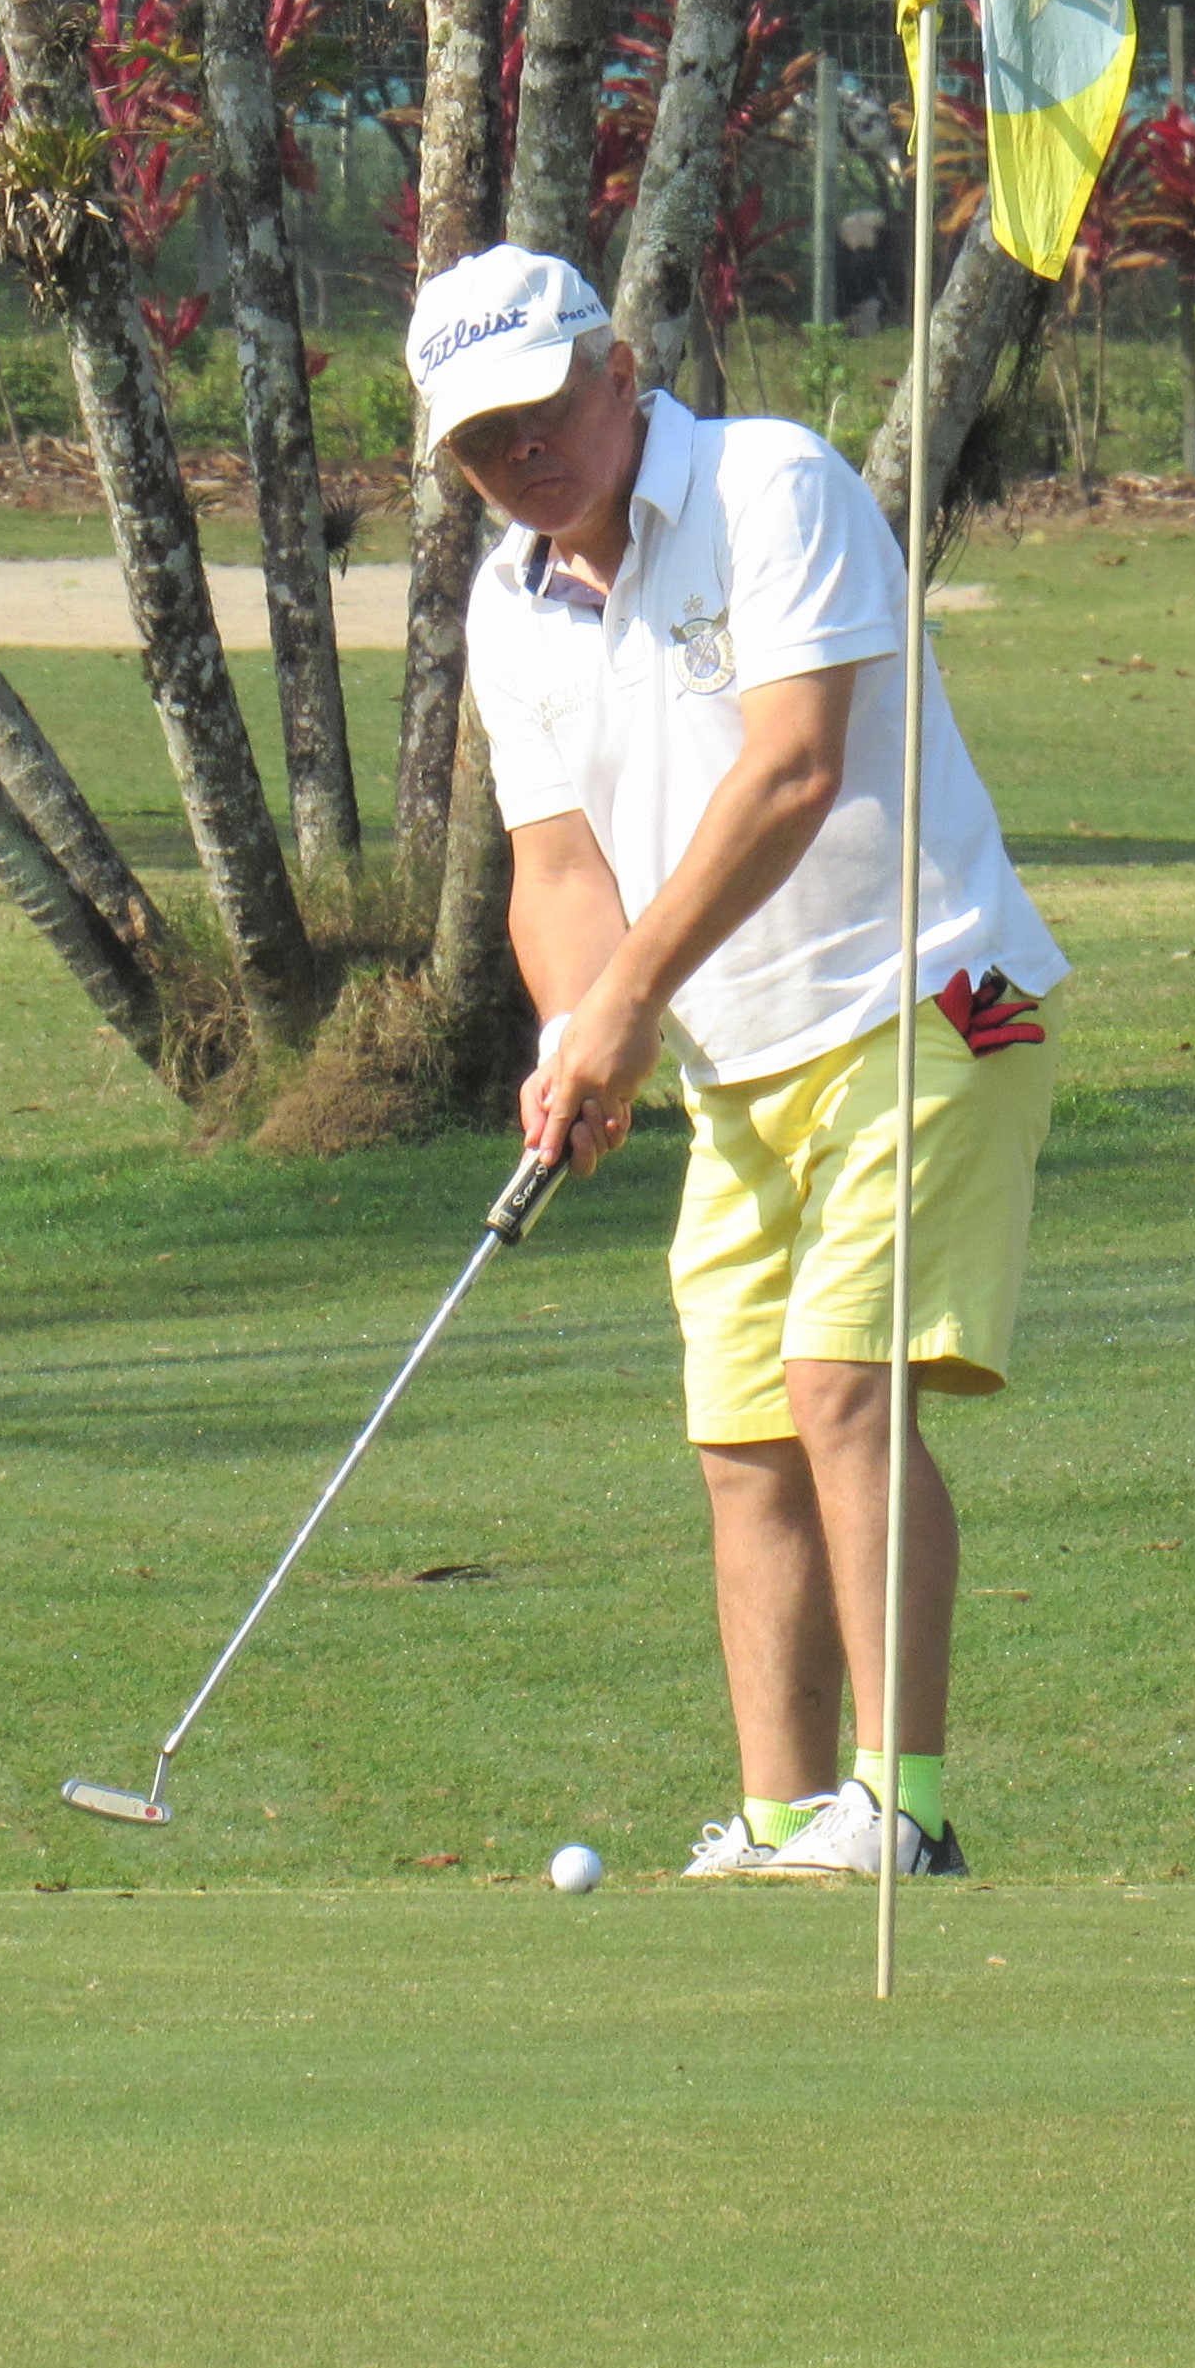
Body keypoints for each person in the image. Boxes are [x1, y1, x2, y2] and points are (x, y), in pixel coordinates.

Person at [415, 242, 1066, 1879]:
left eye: (542, 407)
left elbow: (792, 771)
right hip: (740, 1069)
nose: (522, 451)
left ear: (619, 371)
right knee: (743, 1437)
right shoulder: (506, 607)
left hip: (934, 998)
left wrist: (628, 1002)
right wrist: (578, 1036)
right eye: (481, 438)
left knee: (840, 1384)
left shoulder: (772, 485)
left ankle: (901, 1814)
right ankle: (781, 1827)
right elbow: (556, 866)